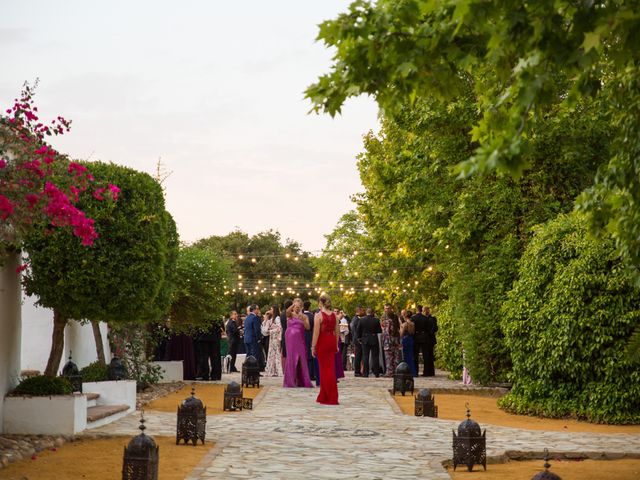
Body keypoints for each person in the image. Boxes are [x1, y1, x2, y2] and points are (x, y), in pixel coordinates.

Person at [312, 294, 339, 405]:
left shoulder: (318, 316)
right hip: (331, 341)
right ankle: (326, 395)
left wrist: (313, 346)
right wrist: (336, 344)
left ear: (320, 303)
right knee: (330, 368)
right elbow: (337, 332)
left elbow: (316, 333)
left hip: (322, 342)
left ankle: (328, 396)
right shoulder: (335, 315)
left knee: (324, 370)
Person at [283, 298, 313, 388]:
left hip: (300, 338)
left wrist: (303, 319)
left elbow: (308, 328)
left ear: (301, 307)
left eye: (299, 307)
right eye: (296, 306)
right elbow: (287, 312)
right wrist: (293, 304)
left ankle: (302, 380)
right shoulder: (290, 314)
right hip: (290, 338)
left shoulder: (304, 316)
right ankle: (290, 380)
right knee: (291, 357)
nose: (297, 308)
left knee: (301, 357)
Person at [412, 305, 438, 376]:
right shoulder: (425, 319)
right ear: (421, 310)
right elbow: (429, 328)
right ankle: (426, 372)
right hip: (424, 337)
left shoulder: (413, 318)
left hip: (416, 337)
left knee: (415, 355)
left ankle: (415, 371)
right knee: (425, 355)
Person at [356, 307, 382, 377]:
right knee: (375, 356)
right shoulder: (376, 320)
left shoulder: (362, 320)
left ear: (366, 312)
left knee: (365, 356)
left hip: (365, 339)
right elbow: (379, 330)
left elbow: (358, 330)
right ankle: (376, 373)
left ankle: (365, 373)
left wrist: (359, 338)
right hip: (373, 338)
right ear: (372, 312)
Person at [381, 304, 401, 377]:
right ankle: (390, 372)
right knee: (389, 357)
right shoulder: (383, 317)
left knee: (396, 357)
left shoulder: (395, 317)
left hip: (394, 339)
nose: (387, 310)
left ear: (391, 309)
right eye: (386, 308)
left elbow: (398, 328)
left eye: (388, 308)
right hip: (387, 340)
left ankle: (395, 372)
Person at [264, 305, 283, 376]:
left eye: (271, 309)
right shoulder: (271, 318)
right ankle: (273, 370)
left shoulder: (277, 318)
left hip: (275, 338)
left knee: (276, 353)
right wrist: (266, 317)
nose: (270, 310)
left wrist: (271, 331)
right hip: (272, 338)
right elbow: (265, 328)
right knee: (272, 354)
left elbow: (280, 328)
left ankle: (277, 370)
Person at [303, 300, 318, 382]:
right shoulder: (312, 316)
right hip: (310, 336)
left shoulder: (300, 315)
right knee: (311, 355)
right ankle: (311, 374)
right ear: (309, 307)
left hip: (302, 336)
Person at [350, 307, 364, 376]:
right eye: (362, 310)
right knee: (358, 356)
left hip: (356, 339)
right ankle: (357, 371)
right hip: (358, 339)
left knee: (358, 355)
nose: (363, 312)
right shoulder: (356, 320)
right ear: (359, 311)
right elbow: (356, 330)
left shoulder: (354, 319)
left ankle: (358, 371)